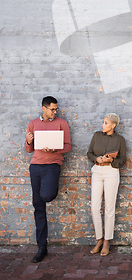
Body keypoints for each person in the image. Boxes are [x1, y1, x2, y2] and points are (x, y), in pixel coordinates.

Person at [25, 96, 71, 263]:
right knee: (38, 206)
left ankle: (52, 190)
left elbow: (68, 146)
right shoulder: (33, 124)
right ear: (43, 108)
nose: (55, 112)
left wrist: (54, 149)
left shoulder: (61, 123)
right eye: (52, 109)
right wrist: (29, 141)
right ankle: (41, 247)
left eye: (56, 109)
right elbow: (29, 149)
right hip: (36, 167)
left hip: (53, 165)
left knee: (47, 196)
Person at [87, 113, 126, 256]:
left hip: (112, 172)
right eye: (103, 122)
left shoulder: (120, 140)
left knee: (109, 208)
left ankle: (107, 241)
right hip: (97, 171)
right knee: (95, 207)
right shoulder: (97, 136)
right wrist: (97, 159)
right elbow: (89, 153)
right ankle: (99, 238)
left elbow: (122, 160)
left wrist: (111, 161)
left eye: (106, 123)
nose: (103, 125)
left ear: (113, 125)